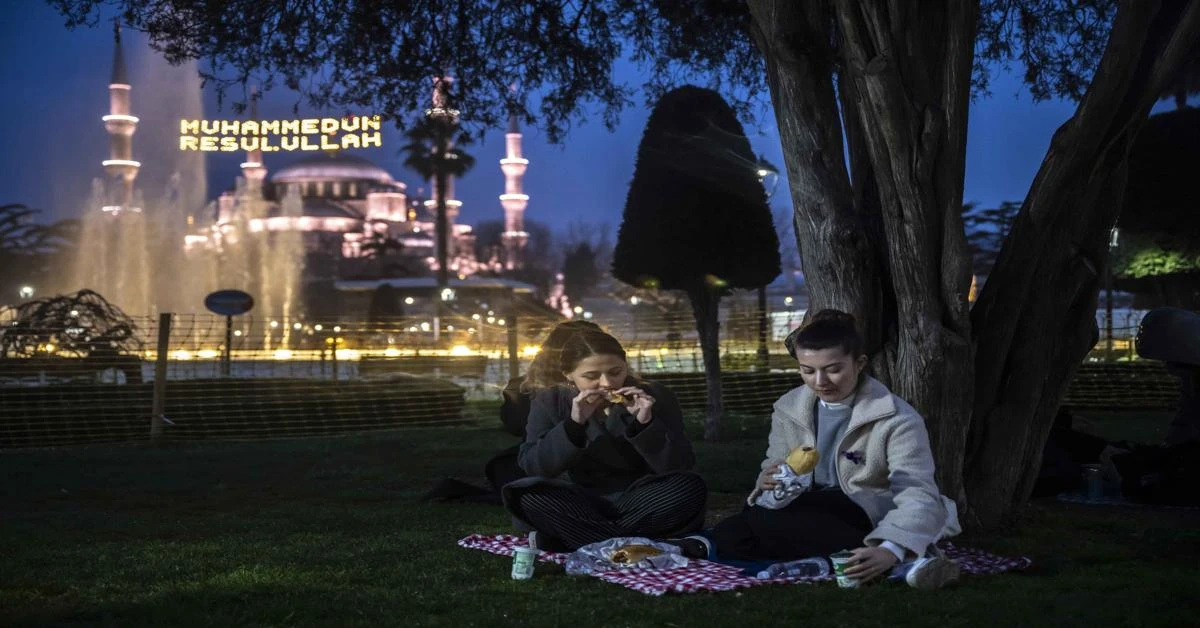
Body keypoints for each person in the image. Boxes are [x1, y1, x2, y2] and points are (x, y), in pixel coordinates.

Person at [677, 310, 962, 590]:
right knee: (734, 532)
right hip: (803, 507)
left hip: (865, 512)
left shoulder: (896, 417)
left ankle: (893, 554)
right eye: (807, 370)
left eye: (833, 369)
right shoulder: (789, 408)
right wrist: (767, 479)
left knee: (765, 524)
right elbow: (775, 463)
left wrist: (890, 546)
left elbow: (917, 492)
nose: (820, 382)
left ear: (859, 363)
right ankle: (884, 562)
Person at [502, 327, 707, 551]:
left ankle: (571, 540)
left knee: (689, 487)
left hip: (639, 498)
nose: (607, 383)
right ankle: (633, 543)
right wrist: (573, 425)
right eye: (591, 376)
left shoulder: (655, 396)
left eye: (615, 372)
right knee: (528, 493)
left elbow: (680, 465)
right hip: (579, 499)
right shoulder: (550, 400)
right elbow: (533, 466)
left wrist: (645, 424)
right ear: (568, 374)